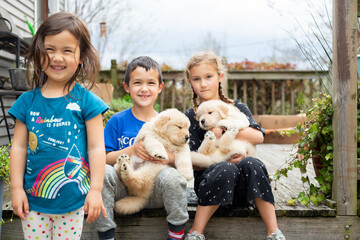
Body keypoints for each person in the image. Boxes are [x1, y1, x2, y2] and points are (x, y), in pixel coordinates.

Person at [9, 12, 109, 240]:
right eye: (50, 49)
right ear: (38, 53)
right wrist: (16, 189)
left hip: (72, 201)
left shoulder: (88, 102)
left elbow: (96, 148)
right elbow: (18, 148)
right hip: (33, 201)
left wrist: (95, 190)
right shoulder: (26, 102)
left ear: (81, 55)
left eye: (67, 50)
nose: (57, 57)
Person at [183, 52, 286, 240]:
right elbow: (192, 160)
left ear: (220, 77)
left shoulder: (236, 108)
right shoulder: (191, 117)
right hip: (211, 186)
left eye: (208, 77)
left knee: (253, 164)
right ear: (190, 82)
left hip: (243, 189)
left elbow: (258, 136)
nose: (203, 84)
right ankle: (196, 232)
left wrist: (223, 130)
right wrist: (222, 159)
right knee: (225, 167)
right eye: (197, 79)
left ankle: (274, 232)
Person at [94, 56, 189, 240]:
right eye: (137, 83)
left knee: (172, 177)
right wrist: (133, 150)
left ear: (160, 87)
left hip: (156, 192)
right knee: (103, 173)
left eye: (151, 83)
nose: (144, 88)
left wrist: (168, 157)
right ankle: (106, 235)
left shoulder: (168, 121)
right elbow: (103, 158)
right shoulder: (117, 121)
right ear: (127, 87)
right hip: (123, 190)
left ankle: (176, 234)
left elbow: (182, 159)